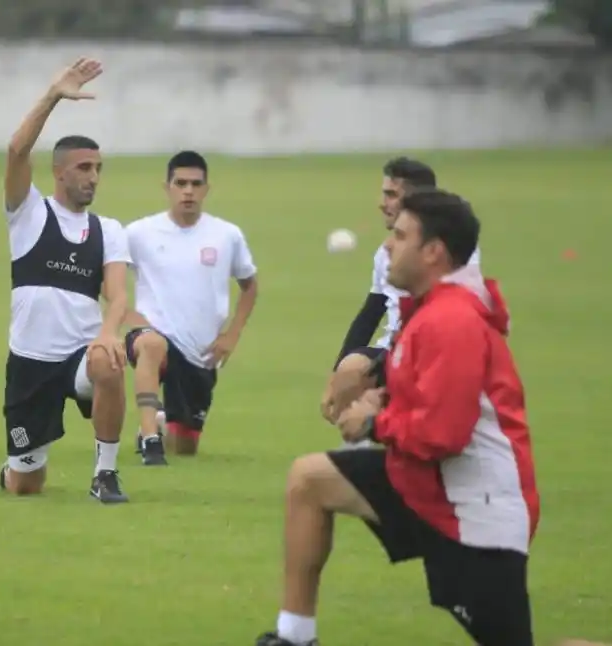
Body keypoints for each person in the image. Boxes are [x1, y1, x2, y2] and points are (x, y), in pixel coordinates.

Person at [255, 188, 539, 646]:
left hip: (475, 512)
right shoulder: (426, 312)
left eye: (400, 235)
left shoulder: (452, 321)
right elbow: (424, 398)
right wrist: (379, 399)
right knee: (309, 480)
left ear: (434, 252)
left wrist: (373, 423)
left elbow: (444, 433)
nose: (387, 244)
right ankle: (294, 638)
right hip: (426, 484)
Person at [0, 58, 132, 503]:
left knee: (109, 362)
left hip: (81, 355)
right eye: (83, 168)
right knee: (26, 487)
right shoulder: (29, 213)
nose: (92, 177)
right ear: (58, 172)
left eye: (97, 168)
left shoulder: (108, 230)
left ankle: (105, 475)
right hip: (30, 362)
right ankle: (15, 469)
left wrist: (109, 333)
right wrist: (53, 95)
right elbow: (17, 151)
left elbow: (116, 295)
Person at [320, 157, 481, 441]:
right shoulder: (385, 253)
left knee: (357, 374)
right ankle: (359, 459)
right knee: (349, 371)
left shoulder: (448, 251)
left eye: (391, 194)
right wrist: (335, 375)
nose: (382, 203)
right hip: (394, 348)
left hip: (427, 352)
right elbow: (371, 311)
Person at [123, 150, 258, 465]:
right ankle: (150, 439)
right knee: (151, 345)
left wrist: (231, 336)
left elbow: (249, 285)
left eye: (195, 184)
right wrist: (129, 316)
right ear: (167, 187)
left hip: (201, 352)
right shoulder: (139, 233)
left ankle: (159, 424)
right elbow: (106, 276)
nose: (188, 191)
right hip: (154, 336)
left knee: (184, 447)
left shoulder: (227, 235)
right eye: (180, 183)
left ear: (206, 189)